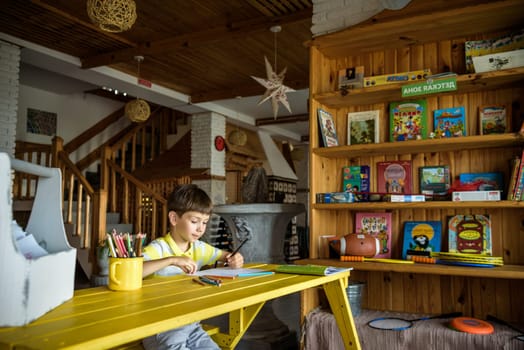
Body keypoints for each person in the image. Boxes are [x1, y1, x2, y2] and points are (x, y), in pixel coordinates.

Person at [141, 184, 244, 350]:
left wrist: (233, 259)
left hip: (191, 325)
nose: (200, 228)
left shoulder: (199, 248)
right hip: (160, 329)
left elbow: (226, 256)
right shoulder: (159, 248)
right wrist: (171, 260)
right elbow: (133, 270)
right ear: (174, 219)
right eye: (194, 221)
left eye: (204, 222)